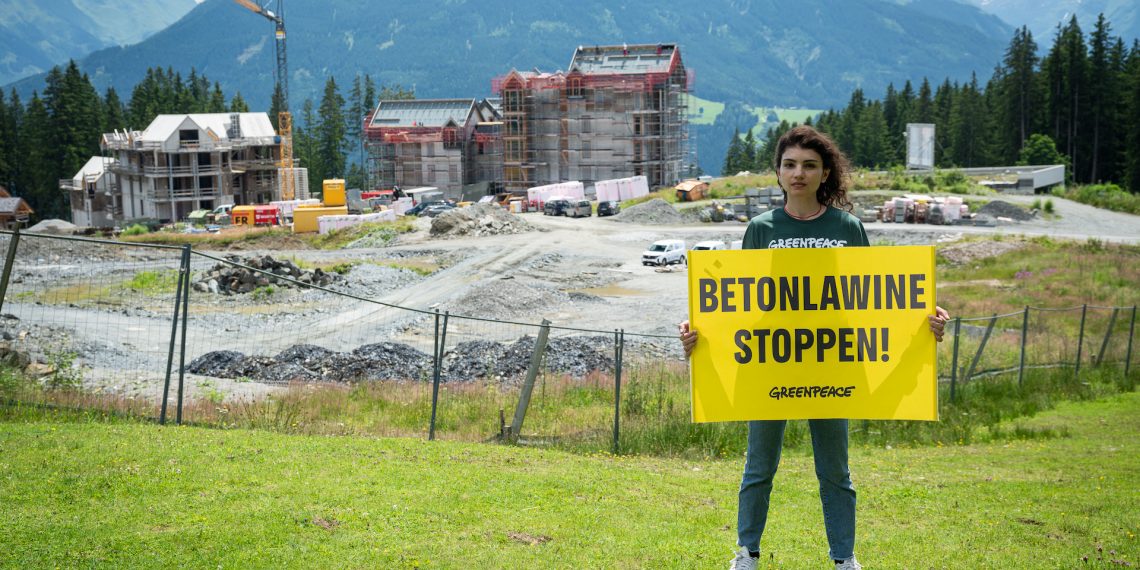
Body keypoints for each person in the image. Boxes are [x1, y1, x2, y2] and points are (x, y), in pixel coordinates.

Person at [678, 125, 950, 570]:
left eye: (809, 165)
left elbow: (875, 301)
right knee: (758, 466)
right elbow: (740, 305)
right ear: (778, 172)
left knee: (835, 471)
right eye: (789, 165)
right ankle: (746, 553)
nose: (798, 173)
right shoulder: (760, 229)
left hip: (832, 365)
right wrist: (699, 332)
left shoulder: (848, 228)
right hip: (770, 364)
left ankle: (844, 558)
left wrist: (923, 323)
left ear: (826, 173)